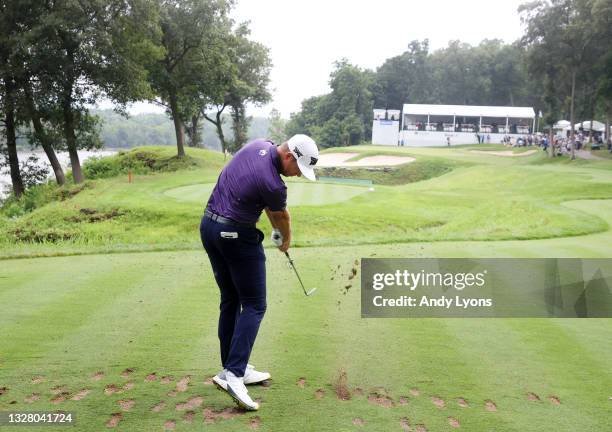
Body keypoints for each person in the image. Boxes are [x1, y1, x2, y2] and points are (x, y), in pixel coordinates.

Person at [200, 134, 319, 411]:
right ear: (289, 156)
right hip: (234, 234)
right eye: (299, 169)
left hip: (208, 227)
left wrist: (275, 231)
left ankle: (230, 368)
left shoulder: (259, 145)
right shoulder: (275, 184)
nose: (299, 175)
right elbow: (281, 217)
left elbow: (265, 204)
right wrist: (285, 240)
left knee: (230, 298)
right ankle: (235, 374)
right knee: (255, 304)